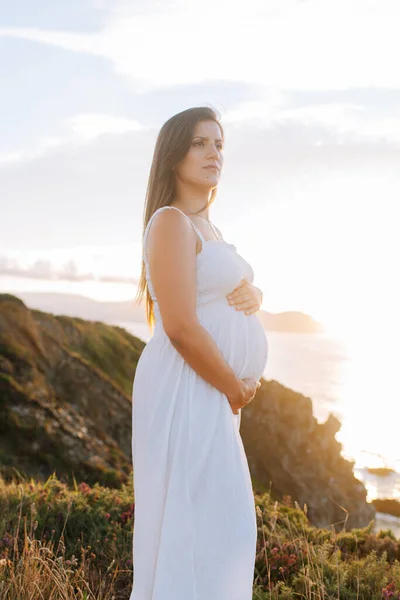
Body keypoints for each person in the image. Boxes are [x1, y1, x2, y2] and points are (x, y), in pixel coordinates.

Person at [130, 106, 269, 600]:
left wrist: (255, 293)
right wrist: (236, 388)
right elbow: (182, 326)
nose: (214, 153)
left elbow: (221, 290)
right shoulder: (170, 222)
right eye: (199, 143)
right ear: (173, 156)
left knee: (220, 532)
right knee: (200, 531)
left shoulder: (208, 227)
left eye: (219, 144)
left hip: (209, 395)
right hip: (187, 389)